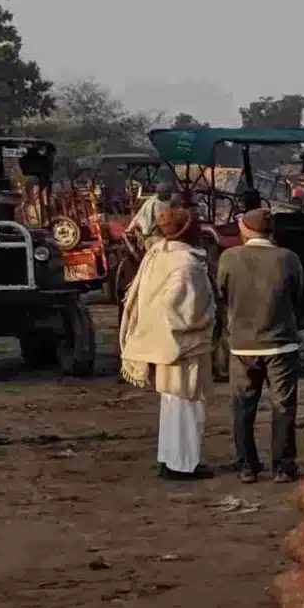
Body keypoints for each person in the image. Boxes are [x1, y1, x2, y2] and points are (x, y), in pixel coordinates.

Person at [117, 203, 218, 480]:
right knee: (187, 404)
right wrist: (210, 316)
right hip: (184, 345)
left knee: (172, 402)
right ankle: (183, 464)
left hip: (165, 343)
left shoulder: (158, 255)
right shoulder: (186, 265)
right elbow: (183, 310)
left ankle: (169, 459)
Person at [215, 207, 304, 483]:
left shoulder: (229, 258)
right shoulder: (288, 259)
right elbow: (301, 296)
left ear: (244, 229)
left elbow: (222, 293)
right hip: (282, 346)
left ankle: (247, 466)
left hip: (243, 346)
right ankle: (283, 467)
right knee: (283, 407)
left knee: (243, 407)